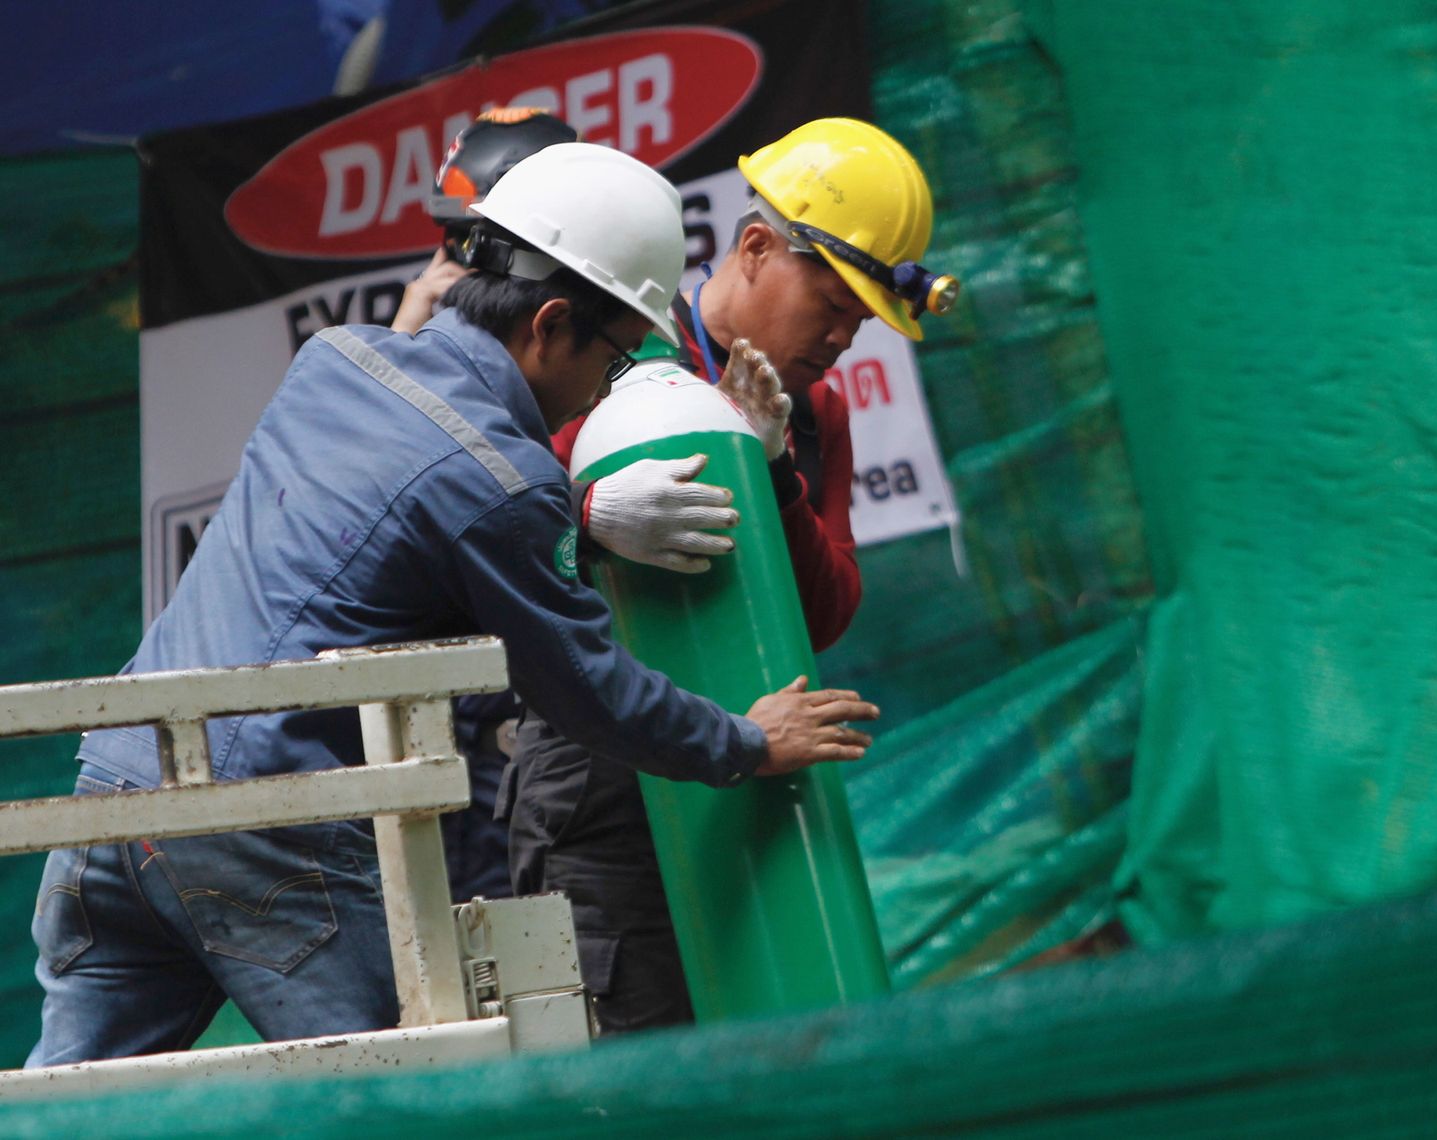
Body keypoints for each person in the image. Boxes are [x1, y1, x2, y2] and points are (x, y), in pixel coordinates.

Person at [27, 141, 878, 1067]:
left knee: (69, 1109)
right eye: (617, 354)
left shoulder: (335, 360)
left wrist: (577, 528)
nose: (609, 385)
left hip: (113, 790)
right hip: (266, 828)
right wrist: (750, 741)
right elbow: (587, 689)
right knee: (420, 1094)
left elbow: (377, 538)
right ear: (550, 325)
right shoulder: (504, 481)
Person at [500, 117, 956, 1034]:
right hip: (602, 766)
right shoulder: (604, 342)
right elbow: (481, 519)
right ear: (755, 248)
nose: (841, 339)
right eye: (830, 307)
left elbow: (827, 612)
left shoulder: (812, 409)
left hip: (759, 751)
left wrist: (775, 465)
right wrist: (588, 516)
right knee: (635, 1060)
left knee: (789, 1035)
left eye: (860, 322)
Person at [391, 106, 580, 903]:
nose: (460, 264)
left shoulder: (576, 336)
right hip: (437, 702)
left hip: (534, 693)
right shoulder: (419, 334)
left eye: (476, 242)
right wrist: (407, 331)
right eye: (452, 241)